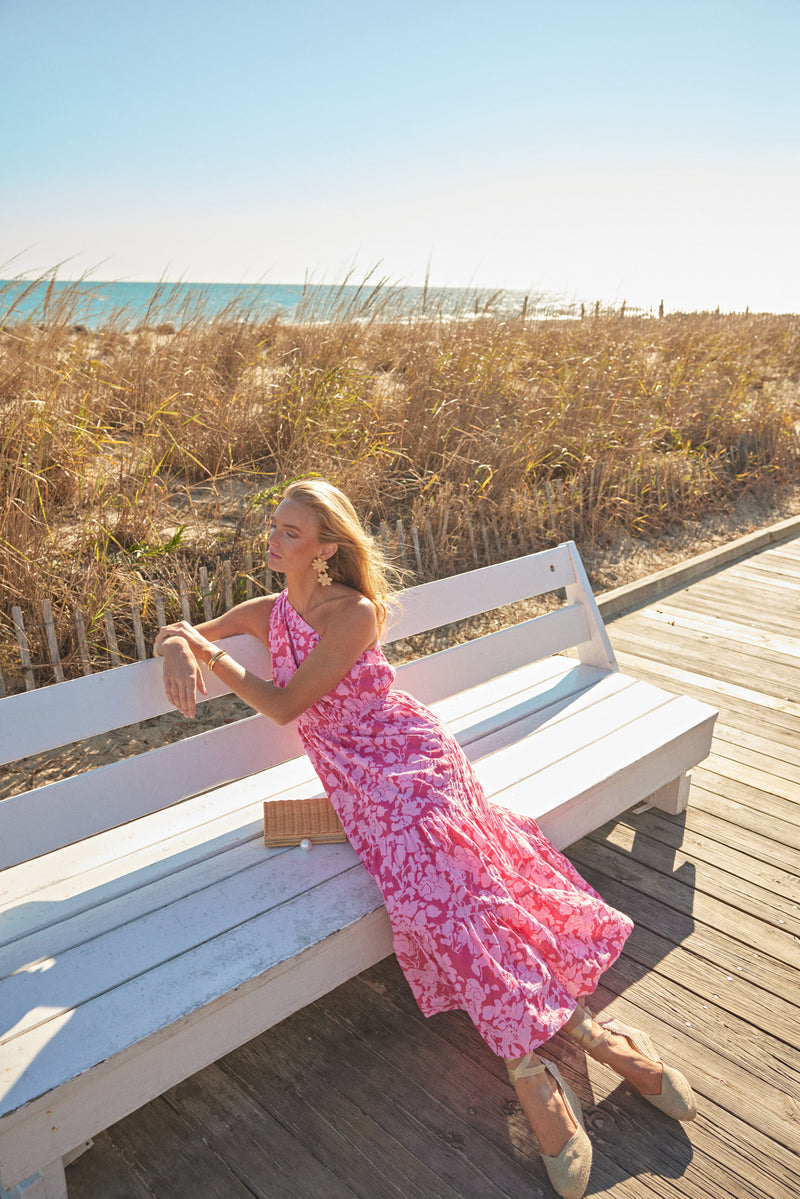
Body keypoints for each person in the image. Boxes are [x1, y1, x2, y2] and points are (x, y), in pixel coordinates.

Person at [154, 479, 697, 1199]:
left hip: (411, 758)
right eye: (275, 527)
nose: (274, 540)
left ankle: (535, 1062)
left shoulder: (356, 612)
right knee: (450, 887)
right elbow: (192, 630)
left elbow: (284, 706)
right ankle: (588, 1037)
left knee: (458, 882)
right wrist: (175, 644)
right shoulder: (269, 612)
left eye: (290, 532)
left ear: (327, 548)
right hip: (357, 784)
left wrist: (209, 654)